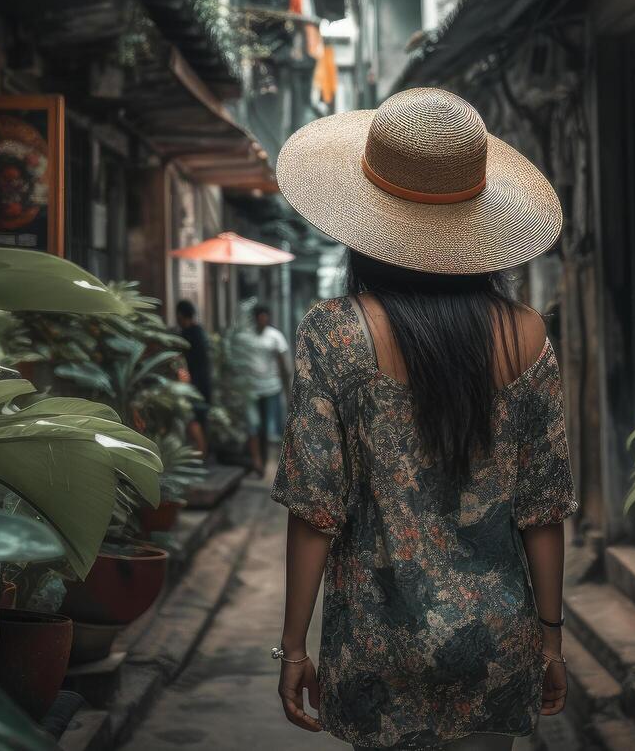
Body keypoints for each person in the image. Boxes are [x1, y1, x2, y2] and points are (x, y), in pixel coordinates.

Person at [269, 87, 575, 750]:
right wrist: (550, 641)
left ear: (367, 218)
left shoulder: (334, 334)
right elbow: (542, 510)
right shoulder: (526, 335)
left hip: (377, 645)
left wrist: (293, 648)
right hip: (497, 642)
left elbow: (314, 507)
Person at [247, 303, 290, 476]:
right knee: (253, 425)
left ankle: (267, 461)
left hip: (272, 387)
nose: (262, 319)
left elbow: (283, 364)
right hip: (251, 388)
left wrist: (288, 390)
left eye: (265, 315)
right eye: (259, 316)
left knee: (268, 427)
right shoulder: (248, 336)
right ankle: (257, 461)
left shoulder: (275, 336)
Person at [174, 300, 212, 457]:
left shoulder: (187, 335)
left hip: (193, 384)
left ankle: (201, 454)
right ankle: (203, 454)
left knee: (192, 418)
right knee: (200, 419)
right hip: (204, 383)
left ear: (180, 315)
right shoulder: (200, 332)